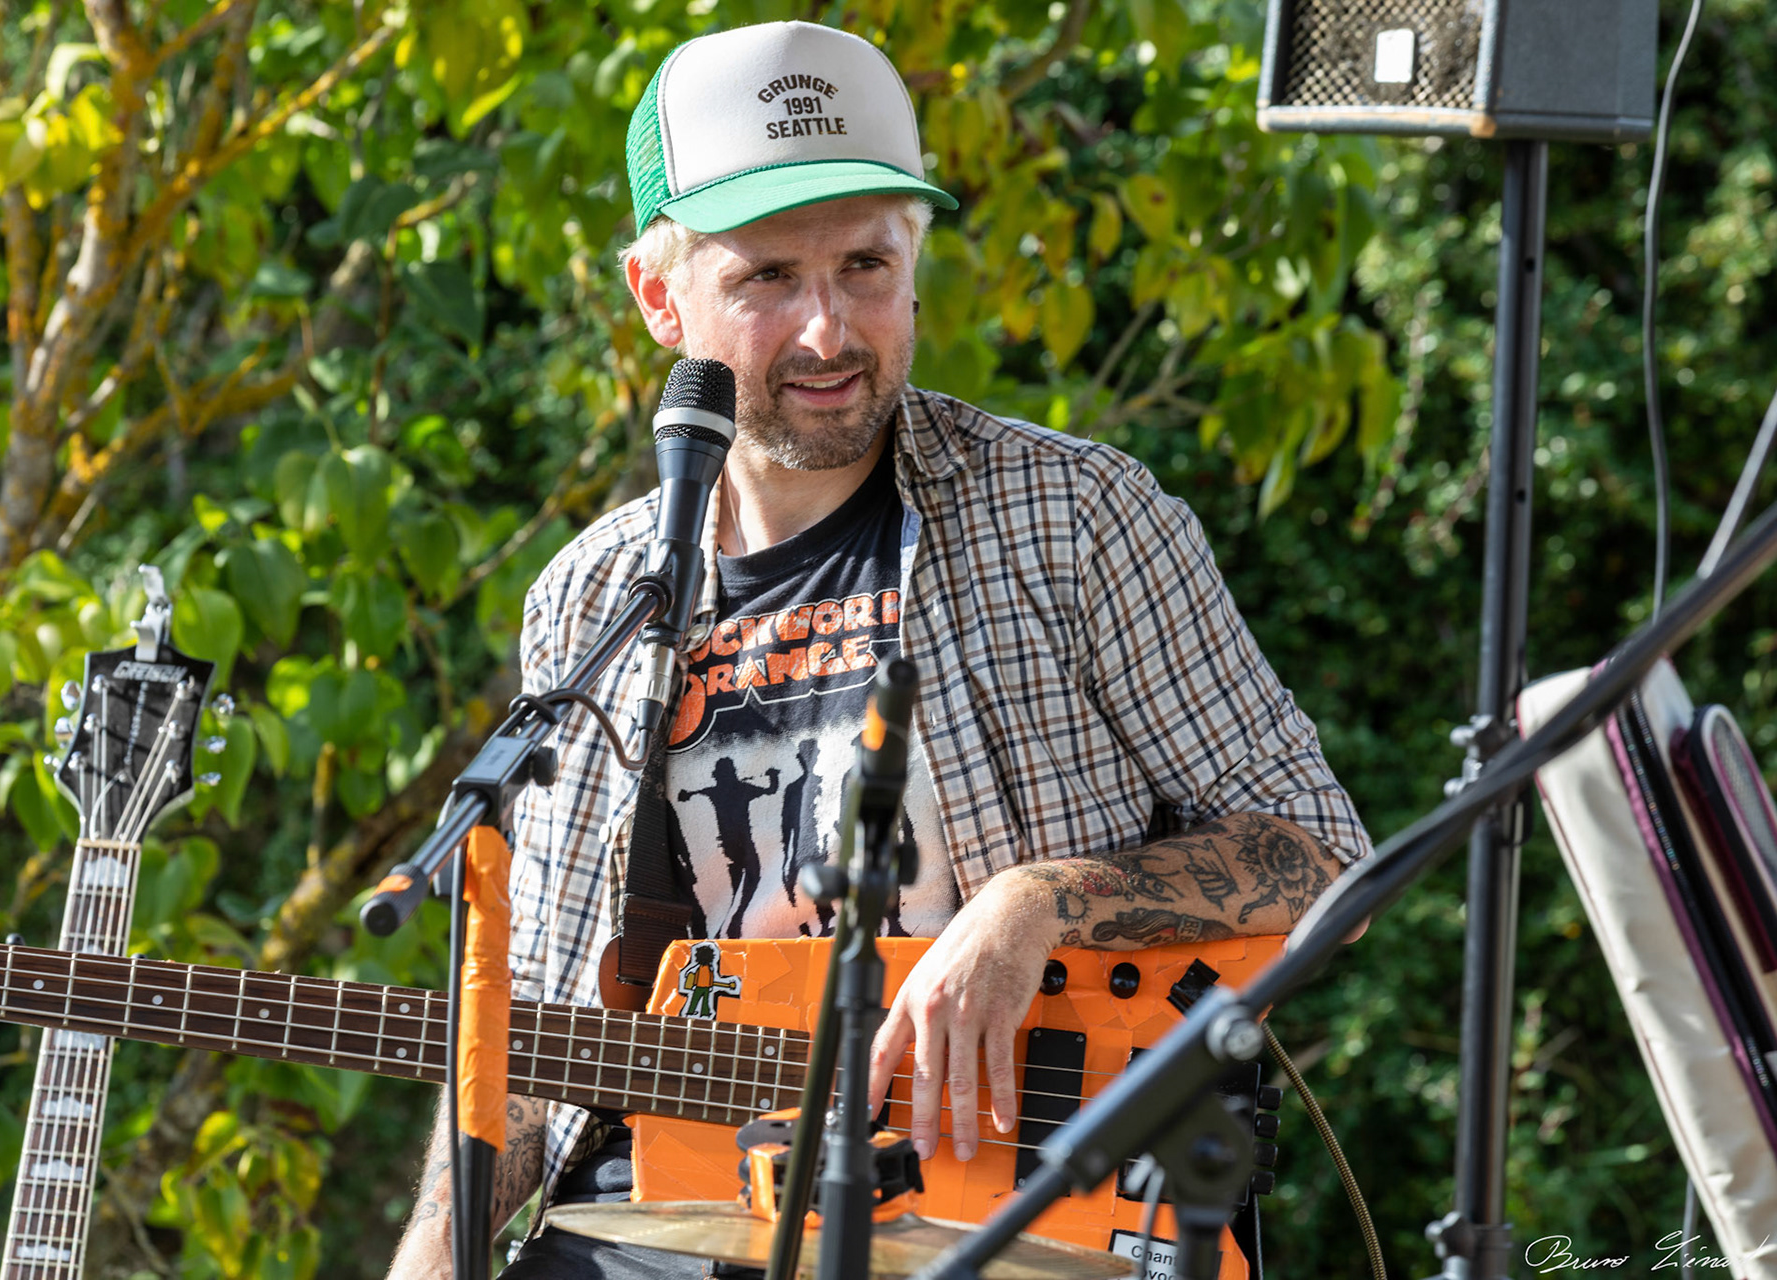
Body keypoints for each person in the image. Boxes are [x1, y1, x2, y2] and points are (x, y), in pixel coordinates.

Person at [386, 19, 1370, 1278]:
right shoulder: (591, 598)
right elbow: (529, 1012)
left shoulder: (1076, 515)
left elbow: (1323, 857)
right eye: (767, 278)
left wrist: (1040, 901)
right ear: (657, 295)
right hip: (664, 1216)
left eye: (865, 265)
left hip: (1010, 1211)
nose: (827, 331)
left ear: (914, 264)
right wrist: (433, 1253)